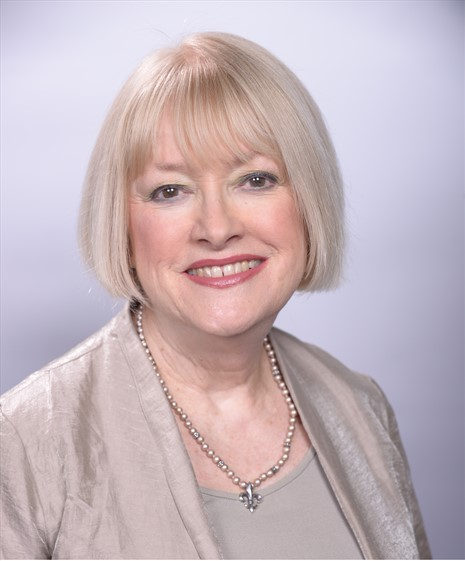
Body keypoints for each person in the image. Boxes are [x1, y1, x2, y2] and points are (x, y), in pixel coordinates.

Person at [0, 32, 430, 559]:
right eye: (170, 191)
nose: (218, 227)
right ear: (123, 227)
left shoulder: (361, 407)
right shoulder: (24, 440)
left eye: (255, 180)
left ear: (309, 203)